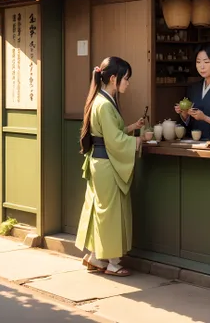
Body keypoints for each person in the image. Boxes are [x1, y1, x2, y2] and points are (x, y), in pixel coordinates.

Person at [76, 57, 145, 277]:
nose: (128, 83)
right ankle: (113, 263)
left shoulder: (102, 100)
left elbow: (111, 133)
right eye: (126, 79)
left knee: (101, 210)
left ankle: (97, 256)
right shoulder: (105, 104)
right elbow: (114, 140)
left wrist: (132, 128)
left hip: (100, 162)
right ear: (113, 79)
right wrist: (136, 141)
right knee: (111, 213)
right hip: (107, 164)